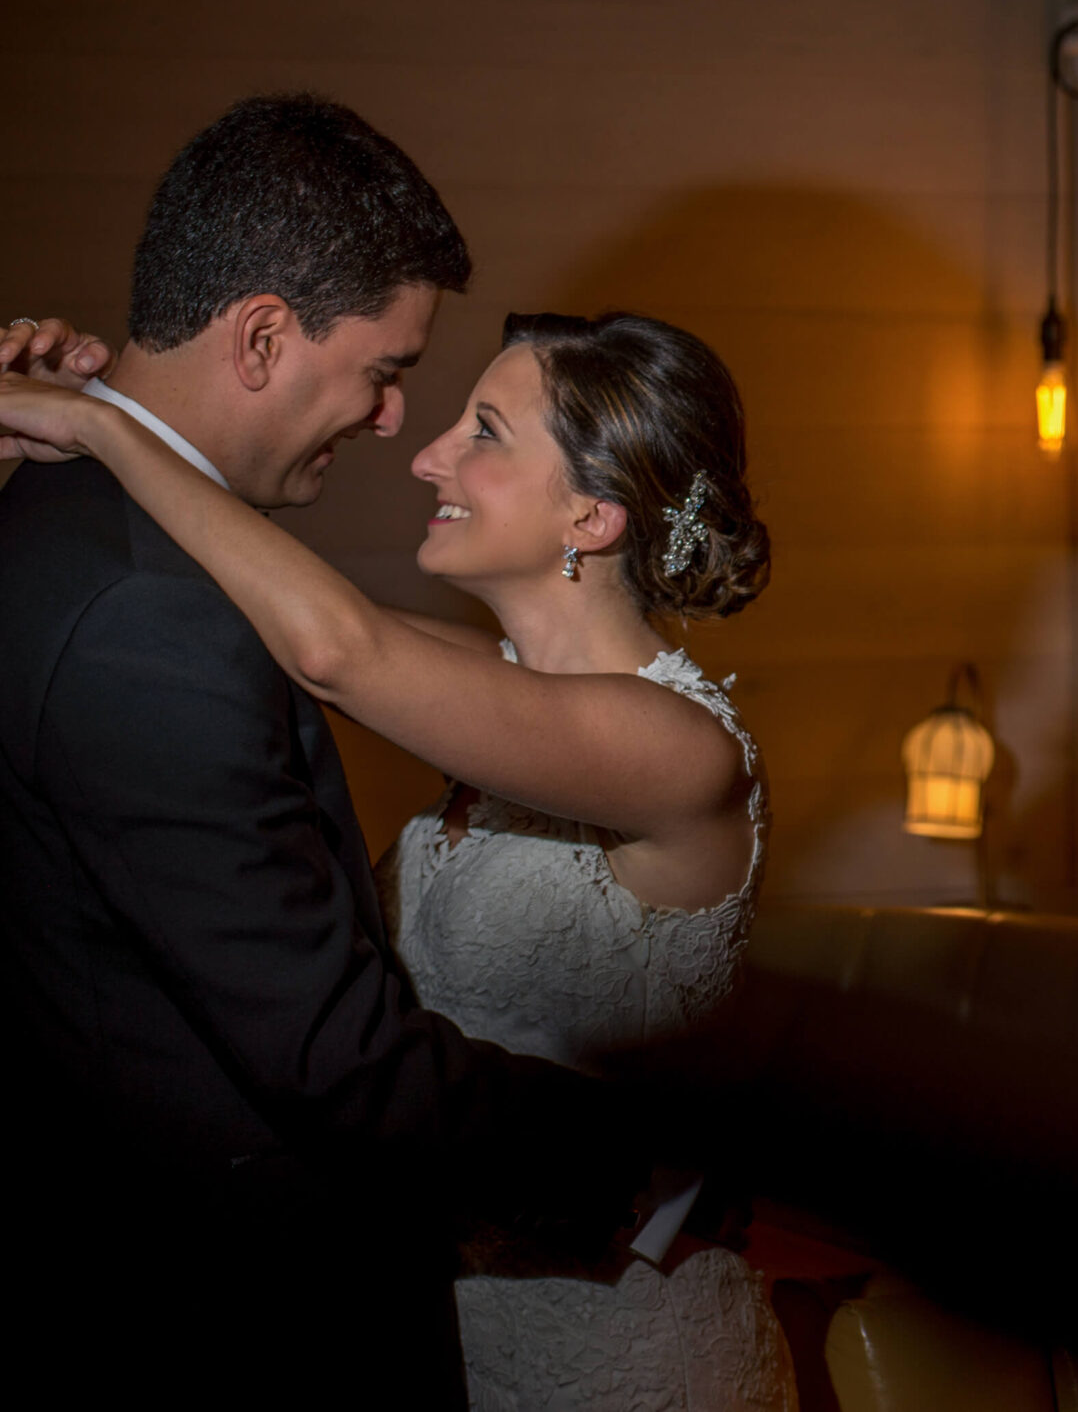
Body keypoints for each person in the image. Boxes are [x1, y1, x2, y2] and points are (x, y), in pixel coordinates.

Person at [0, 97, 784, 1409]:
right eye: (398, 378)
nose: (411, 442)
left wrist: (102, 425)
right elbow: (322, 630)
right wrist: (87, 408)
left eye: (481, 430)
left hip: (605, 1334)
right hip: (444, 1290)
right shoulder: (471, 680)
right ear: (263, 332)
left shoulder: (677, 743)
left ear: (592, 512)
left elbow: (336, 645)